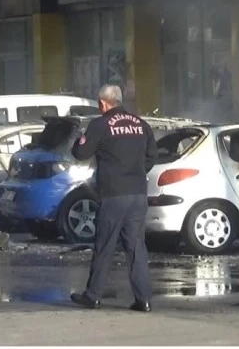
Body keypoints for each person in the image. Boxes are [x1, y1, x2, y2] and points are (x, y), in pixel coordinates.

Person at [69, 84, 158, 312]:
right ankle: (144, 299)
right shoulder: (141, 124)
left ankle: (93, 295)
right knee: (136, 246)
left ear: (102, 103)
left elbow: (81, 153)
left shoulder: (100, 125)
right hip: (138, 194)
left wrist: (80, 138)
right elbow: (152, 156)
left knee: (105, 244)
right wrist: (136, 173)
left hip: (114, 194)